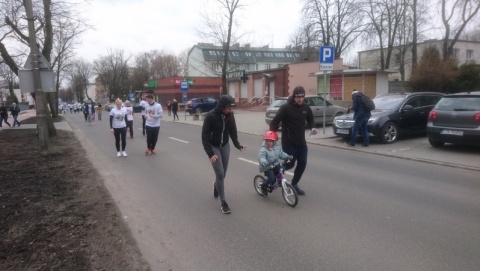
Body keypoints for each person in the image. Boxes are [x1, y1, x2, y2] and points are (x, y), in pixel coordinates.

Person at [201, 95, 246, 214]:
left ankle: (216, 185)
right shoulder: (211, 116)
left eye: (231, 108)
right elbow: (204, 136)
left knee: (223, 174)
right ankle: (223, 203)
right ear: (221, 106)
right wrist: (210, 153)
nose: (230, 111)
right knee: (220, 173)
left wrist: (238, 145)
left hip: (225, 146)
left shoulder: (230, 115)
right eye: (228, 108)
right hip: (213, 147)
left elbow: (233, 131)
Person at [269, 86, 317, 196]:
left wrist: (312, 127)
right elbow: (275, 121)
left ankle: (294, 184)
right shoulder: (286, 107)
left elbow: (310, 119)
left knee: (303, 163)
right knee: (290, 165)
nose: (300, 99)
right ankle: (274, 173)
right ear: (294, 96)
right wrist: (271, 135)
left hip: (301, 143)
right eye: (297, 97)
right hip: (289, 143)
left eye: (302, 97)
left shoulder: (306, 107)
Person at [258, 131, 293, 196]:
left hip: (275, 164)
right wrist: (265, 163)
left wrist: (287, 156)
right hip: (266, 166)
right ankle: (263, 186)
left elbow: (281, 154)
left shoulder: (277, 147)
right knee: (272, 178)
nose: (268, 143)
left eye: (270, 141)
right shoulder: (263, 149)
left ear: (274, 141)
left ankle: (279, 180)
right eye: (267, 141)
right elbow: (261, 157)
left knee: (282, 169)